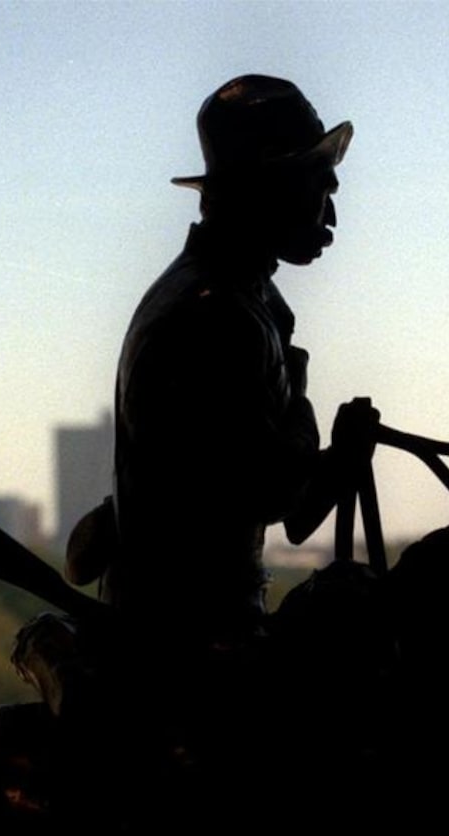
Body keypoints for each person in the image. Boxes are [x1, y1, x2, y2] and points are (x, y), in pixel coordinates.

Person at [85, 74, 359, 647]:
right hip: (194, 652)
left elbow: (279, 502)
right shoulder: (217, 317)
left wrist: (345, 457)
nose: (331, 214)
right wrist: (317, 432)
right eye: (319, 188)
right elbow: (274, 494)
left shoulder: (243, 301)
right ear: (268, 189)